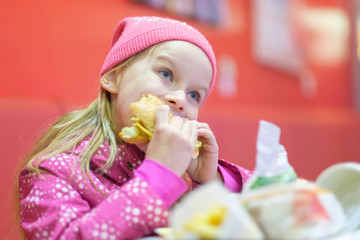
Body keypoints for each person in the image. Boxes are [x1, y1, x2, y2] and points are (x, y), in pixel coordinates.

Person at [17, 16, 252, 239]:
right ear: (114, 77)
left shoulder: (188, 178)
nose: (180, 99)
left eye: (194, 95)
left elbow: (277, 207)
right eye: (166, 74)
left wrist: (212, 182)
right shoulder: (53, 171)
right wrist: (158, 177)